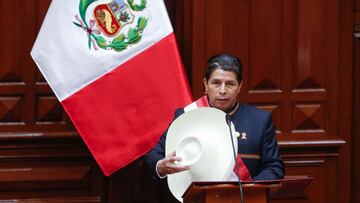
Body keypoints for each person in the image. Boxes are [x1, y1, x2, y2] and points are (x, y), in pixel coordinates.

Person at [146, 52, 284, 183]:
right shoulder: (187, 115)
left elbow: (274, 168)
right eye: (216, 83)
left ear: (240, 86)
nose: (223, 90)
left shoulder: (259, 120)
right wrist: (160, 166)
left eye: (230, 84)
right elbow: (155, 156)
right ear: (206, 84)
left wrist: (248, 190)